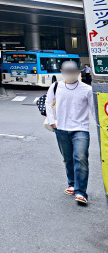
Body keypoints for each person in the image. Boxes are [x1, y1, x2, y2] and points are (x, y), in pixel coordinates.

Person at [45, 61, 94, 206]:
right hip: (61, 128)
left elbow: (93, 109)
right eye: (66, 72)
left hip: (80, 129)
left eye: (72, 72)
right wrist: (52, 120)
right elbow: (48, 103)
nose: (69, 74)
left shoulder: (87, 89)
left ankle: (81, 192)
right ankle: (72, 183)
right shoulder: (55, 87)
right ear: (62, 72)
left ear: (78, 72)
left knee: (80, 157)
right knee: (68, 158)